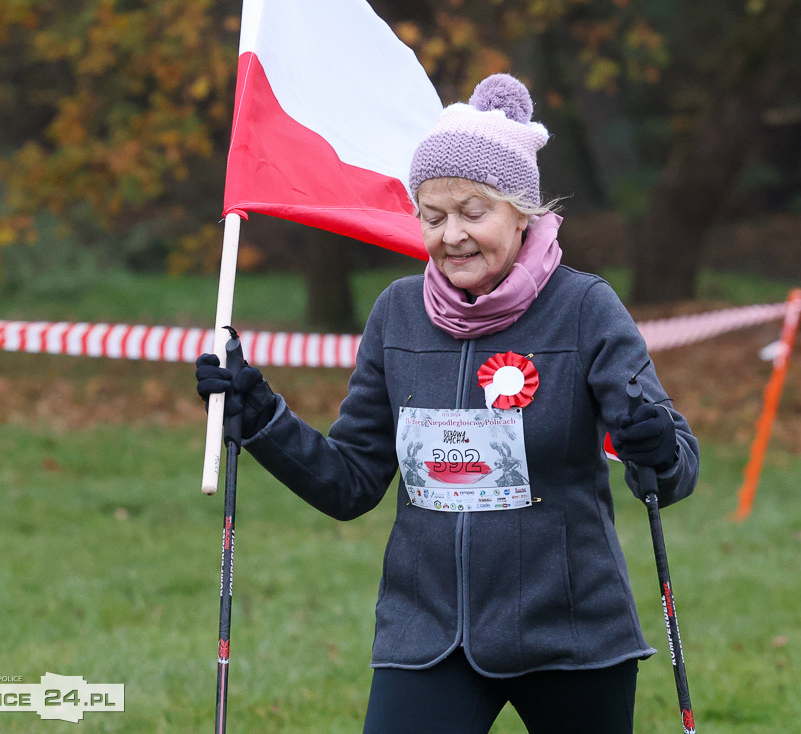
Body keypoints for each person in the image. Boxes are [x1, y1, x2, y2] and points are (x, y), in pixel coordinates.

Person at [196, 73, 698, 734]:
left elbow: (673, 469)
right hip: (428, 633)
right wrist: (258, 416)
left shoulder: (583, 308)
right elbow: (350, 483)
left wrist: (654, 444)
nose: (451, 235)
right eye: (432, 216)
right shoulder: (398, 315)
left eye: (472, 212)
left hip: (570, 634)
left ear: (522, 211)